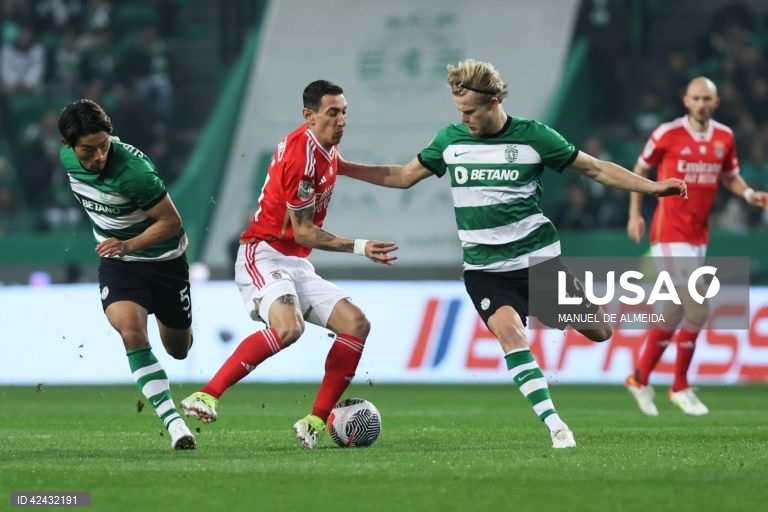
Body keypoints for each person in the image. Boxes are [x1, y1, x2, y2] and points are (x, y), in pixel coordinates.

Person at [337, 59, 687, 449]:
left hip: (537, 261)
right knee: (511, 334)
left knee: (599, 332)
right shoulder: (450, 141)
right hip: (485, 270)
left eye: (470, 111)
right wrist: (343, 167)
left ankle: (552, 309)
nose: (464, 118)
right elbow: (402, 177)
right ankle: (557, 426)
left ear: (495, 100)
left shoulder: (534, 137)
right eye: (459, 111)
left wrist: (653, 189)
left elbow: (596, 170)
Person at [180, 80, 398, 449]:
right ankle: (206, 394)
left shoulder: (325, 149)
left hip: (295, 263)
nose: (342, 119)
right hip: (262, 252)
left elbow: (360, 170)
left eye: (344, 111)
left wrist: (416, 171)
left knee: (356, 324)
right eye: (333, 112)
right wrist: (360, 246)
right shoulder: (303, 158)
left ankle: (314, 421)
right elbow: (303, 233)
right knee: (289, 327)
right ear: (309, 116)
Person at [624, 77, 767, 416]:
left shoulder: (724, 137)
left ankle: (639, 377)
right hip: (669, 232)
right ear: (685, 100)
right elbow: (638, 171)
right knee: (699, 309)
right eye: (696, 98)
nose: (702, 103)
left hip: (698, 235)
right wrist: (635, 215)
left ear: (716, 102)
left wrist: (748, 194)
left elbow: (729, 176)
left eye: (707, 98)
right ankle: (680, 386)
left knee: (674, 313)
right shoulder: (667, 134)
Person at [58, 99, 196, 450]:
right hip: (119, 263)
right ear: (68, 146)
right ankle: (175, 424)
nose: (99, 156)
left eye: (104, 145)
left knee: (178, 349)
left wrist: (129, 243)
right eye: (88, 150)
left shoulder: (134, 173)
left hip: (165, 261)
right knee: (131, 332)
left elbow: (171, 222)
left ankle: (174, 320)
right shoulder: (67, 159)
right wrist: (120, 247)